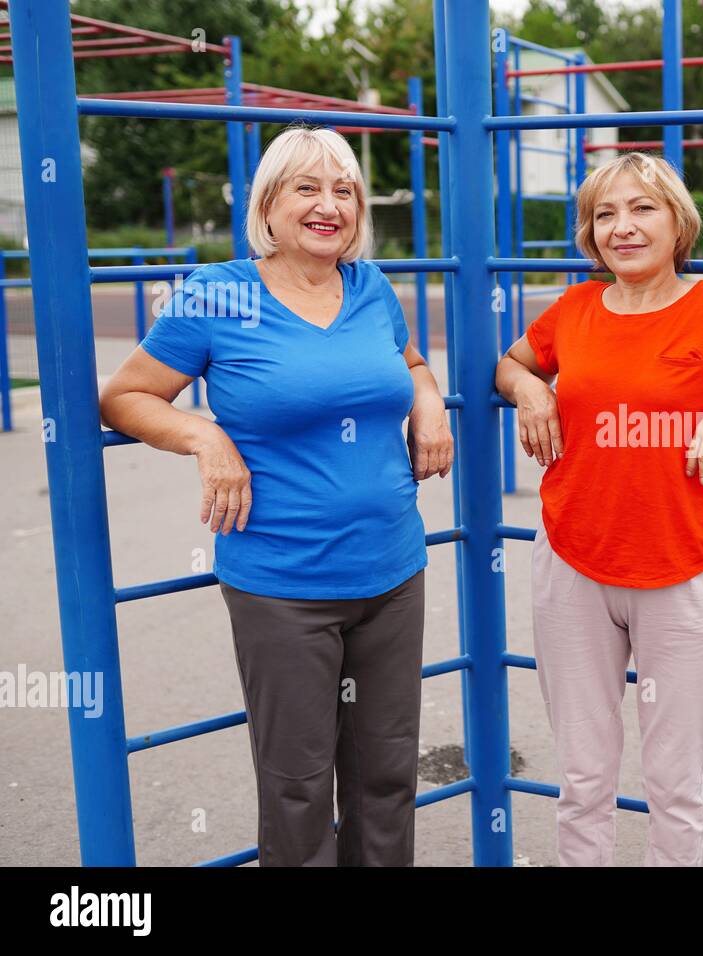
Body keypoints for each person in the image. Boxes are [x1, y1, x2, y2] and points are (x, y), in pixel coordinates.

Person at [99, 126, 454, 866]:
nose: (329, 206)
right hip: (282, 586)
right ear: (270, 202)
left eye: (344, 190)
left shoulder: (371, 288)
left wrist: (429, 400)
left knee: (387, 777)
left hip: (393, 571)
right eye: (308, 188)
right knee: (296, 786)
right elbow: (126, 396)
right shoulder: (218, 293)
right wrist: (206, 438)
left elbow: (410, 361)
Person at [494, 152, 703, 866]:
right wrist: (530, 391)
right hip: (573, 561)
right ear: (590, 233)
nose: (623, 227)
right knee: (583, 776)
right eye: (605, 214)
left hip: (687, 566)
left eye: (641, 208)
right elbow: (514, 362)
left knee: (676, 781)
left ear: (677, 220)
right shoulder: (576, 309)